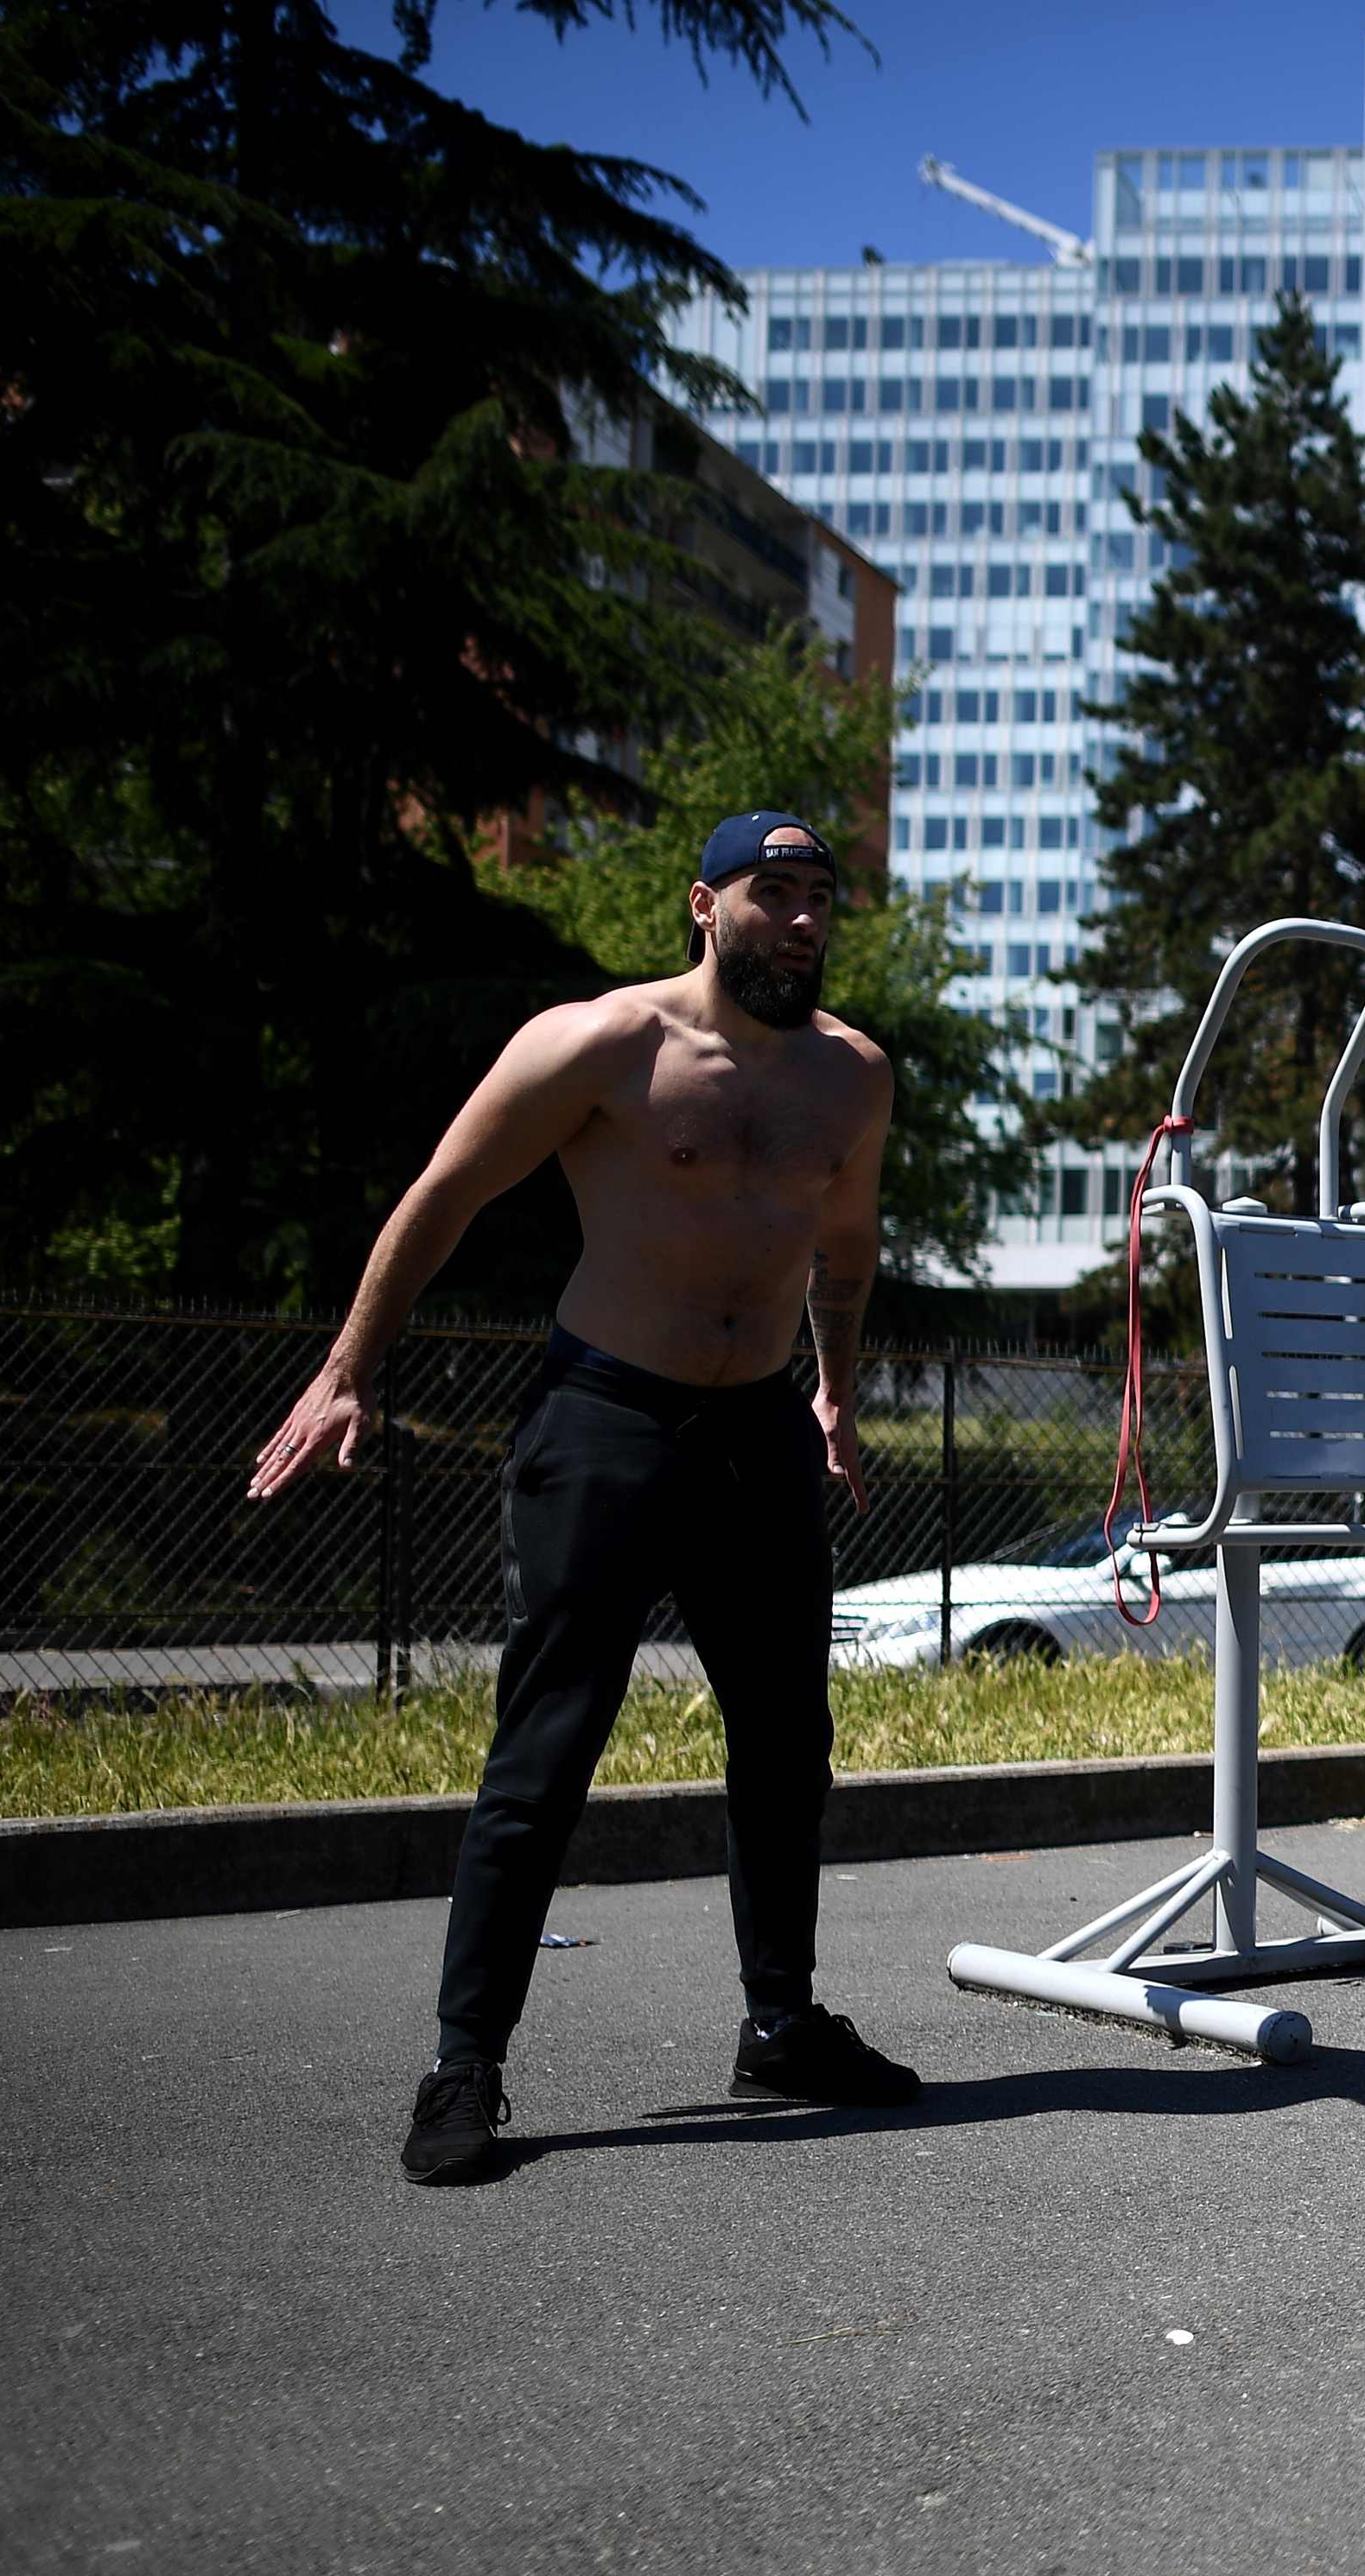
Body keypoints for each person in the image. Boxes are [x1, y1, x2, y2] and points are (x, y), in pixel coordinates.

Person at [247, 812, 923, 2186]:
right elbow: (446, 1191)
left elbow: (842, 1248)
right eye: (773, 893)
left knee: (788, 1740)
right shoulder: (603, 1045)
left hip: (759, 1428)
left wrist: (836, 1395)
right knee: (548, 1748)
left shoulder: (852, 1078)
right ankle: (465, 2064)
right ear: (704, 905)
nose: (802, 920)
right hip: (607, 1416)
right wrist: (348, 1368)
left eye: (819, 898)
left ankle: (782, 2021)